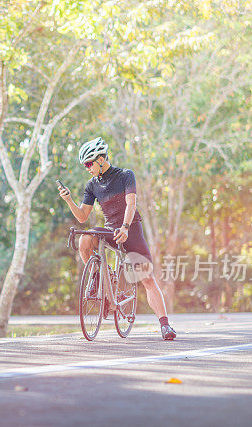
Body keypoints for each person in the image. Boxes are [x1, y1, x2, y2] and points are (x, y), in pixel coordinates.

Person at [58, 136, 177, 340]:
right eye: (85, 165)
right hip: (110, 230)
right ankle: (99, 275)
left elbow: (131, 204)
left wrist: (125, 227)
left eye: (89, 163)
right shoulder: (92, 185)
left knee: (147, 279)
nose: (87, 168)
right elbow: (82, 216)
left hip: (131, 229)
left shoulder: (125, 175)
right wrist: (68, 200)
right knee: (85, 239)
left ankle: (165, 325)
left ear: (101, 159)